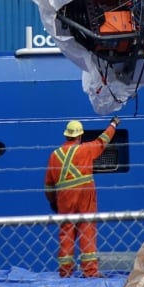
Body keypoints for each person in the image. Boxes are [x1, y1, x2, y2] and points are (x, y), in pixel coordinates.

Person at [44, 117, 120, 278]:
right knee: (87, 229)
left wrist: (52, 201)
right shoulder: (85, 149)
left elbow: (49, 184)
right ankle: (90, 271)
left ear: (66, 136)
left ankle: (65, 272)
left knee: (66, 231)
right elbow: (102, 141)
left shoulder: (54, 155)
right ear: (79, 136)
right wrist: (113, 124)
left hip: (65, 198)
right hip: (85, 194)